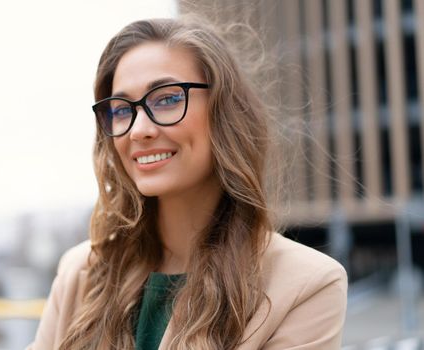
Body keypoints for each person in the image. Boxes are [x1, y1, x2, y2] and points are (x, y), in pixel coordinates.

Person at [27, 17, 347, 350]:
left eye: (166, 100)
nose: (139, 130)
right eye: (122, 110)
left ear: (223, 111)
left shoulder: (307, 285)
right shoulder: (80, 273)